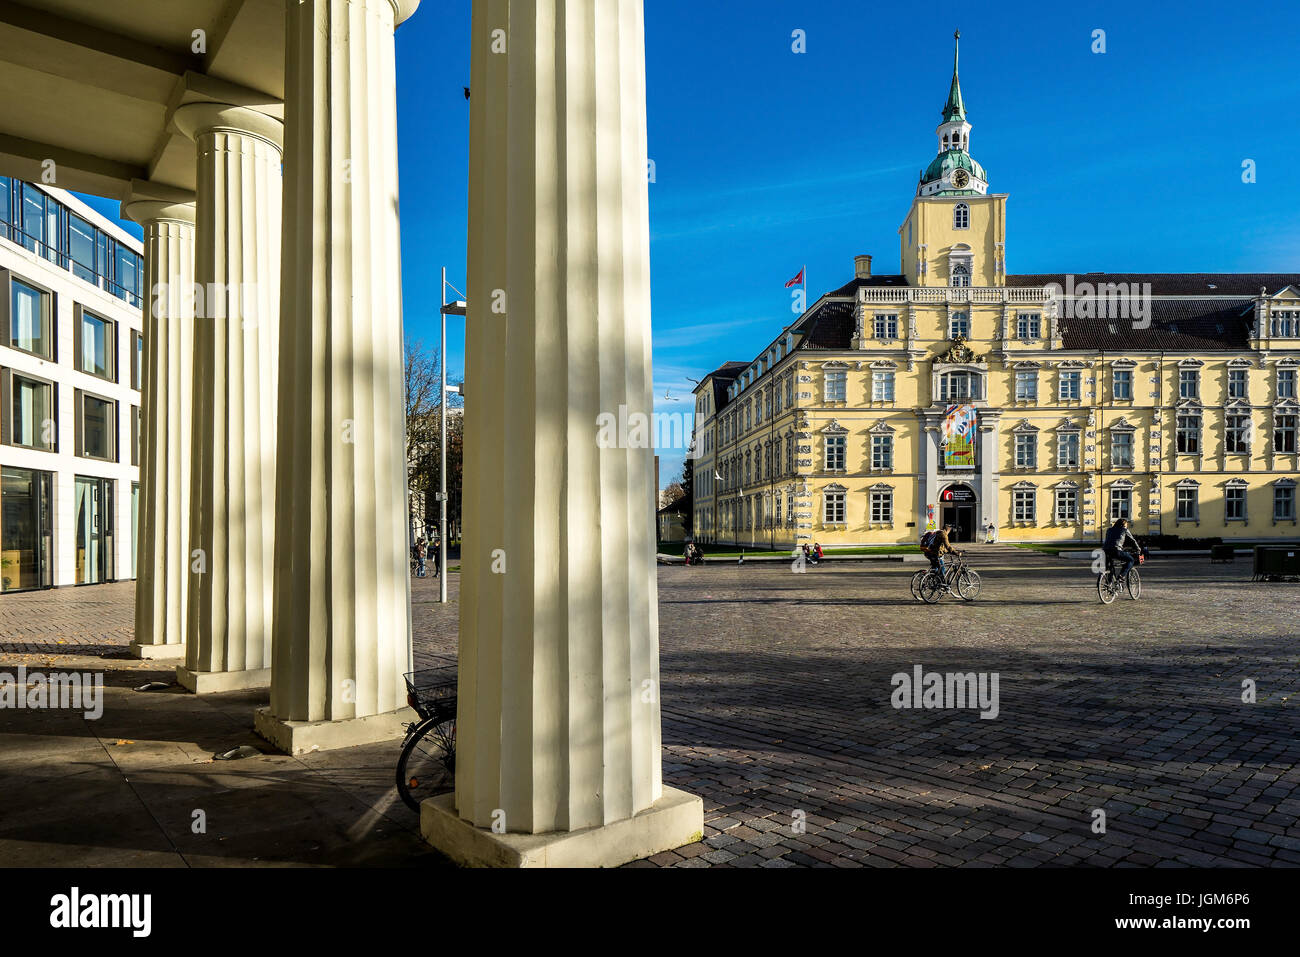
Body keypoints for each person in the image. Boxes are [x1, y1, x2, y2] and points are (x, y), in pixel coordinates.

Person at [923, 523, 960, 589]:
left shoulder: (938, 533)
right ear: (948, 529)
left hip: (930, 553)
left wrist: (946, 551)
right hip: (936, 555)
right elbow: (948, 546)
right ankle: (942, 585)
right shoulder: (944, 534)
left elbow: (940, 546)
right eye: (950, 529)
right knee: (942, 569)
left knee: (936, 569)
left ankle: (934, 582)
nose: (950, 531)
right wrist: (955, 552)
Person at [1103, 518, 1141, 582]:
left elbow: (1110, 540)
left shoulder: (1109, 530)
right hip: (1116, 550)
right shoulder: (1124, 530)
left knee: (1110, 566)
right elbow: (1132, 541)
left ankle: (1109, 584)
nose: (1126, 526)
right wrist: (1138, 549)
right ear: (1123, 525)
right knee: (1131, 560)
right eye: (1126, 524)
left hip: (1105, 550)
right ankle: (1121, 576)